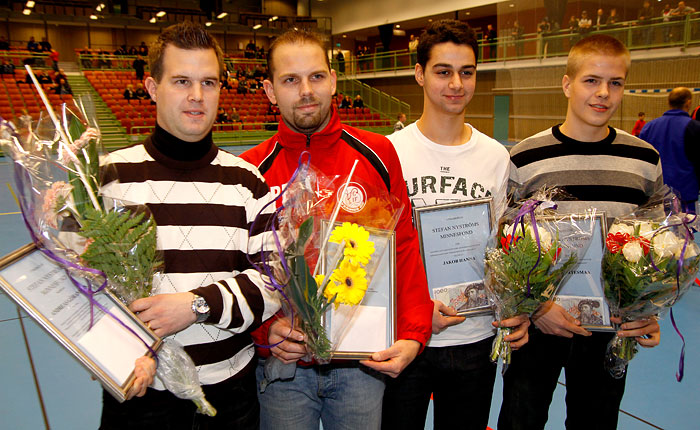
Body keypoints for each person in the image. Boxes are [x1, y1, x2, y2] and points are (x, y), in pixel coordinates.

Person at [239, 28, 433, 430]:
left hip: (361, 364)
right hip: (283, 368)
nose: (306, 90)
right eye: (290, 80)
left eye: (316, 76)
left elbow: (404, 248)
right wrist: (264, 332)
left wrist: (414, 332)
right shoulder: (251, 171)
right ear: (270, 91)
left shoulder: (377, 153)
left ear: (333, 80)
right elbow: (240, 266)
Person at [98, 22, 280, 429]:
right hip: (141, 393)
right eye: (181, 81)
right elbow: (79, 290)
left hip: (231, 395)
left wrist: (196, 306)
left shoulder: (248, 181)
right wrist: (112, 354)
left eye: (208, 83)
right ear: (151, 87)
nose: (197, 96)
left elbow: (274, 282)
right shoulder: (109, 178)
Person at [500, 35, 663, 430]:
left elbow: (657, 246)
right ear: (567, 84)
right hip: (539, 325)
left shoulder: (644, 159)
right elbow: (505, 243)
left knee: (597, 421)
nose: (604, 93)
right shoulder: (526, 157)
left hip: (610, 327)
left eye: (616, 82)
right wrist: (537, 306)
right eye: (591, 80)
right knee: (521, 419)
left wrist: (647, 308)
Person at [381, 20, 529, 430]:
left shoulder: (496, 157)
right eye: (443, 71)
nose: (456, 84)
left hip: (474, 337)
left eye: (467, 72)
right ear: (419, 74)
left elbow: (505, 247)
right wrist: (414, 307)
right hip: (405, 335)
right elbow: (373, 249)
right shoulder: (389, 152)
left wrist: (518, 306)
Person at [640, 87, 700, 213]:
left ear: (669, 102)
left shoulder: (649, 127)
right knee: (687, 231)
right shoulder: (694, 128)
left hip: (654, 196)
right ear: (688, 102)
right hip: (685, 197)